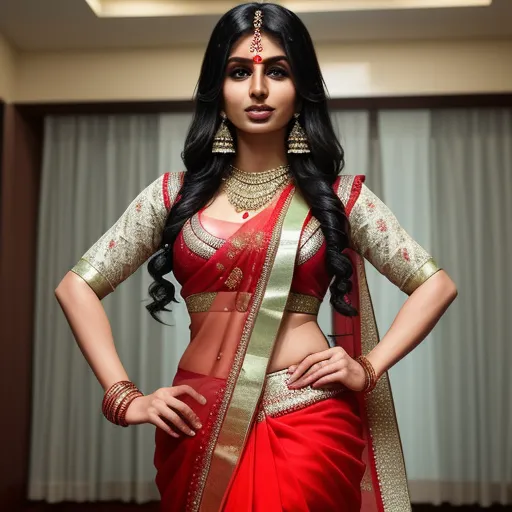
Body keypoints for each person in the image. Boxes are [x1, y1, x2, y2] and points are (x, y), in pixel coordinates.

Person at [55, 3, 457, 511]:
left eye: (278, 71)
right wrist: (124, 396)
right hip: (198, 421)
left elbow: (436, 284)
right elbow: (75, 286)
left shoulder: (339, 197)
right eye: (240, 72)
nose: (259, 89)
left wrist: (369, 367)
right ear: (217, 92)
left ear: (301, 88)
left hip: (306, 419)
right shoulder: (172, 196)